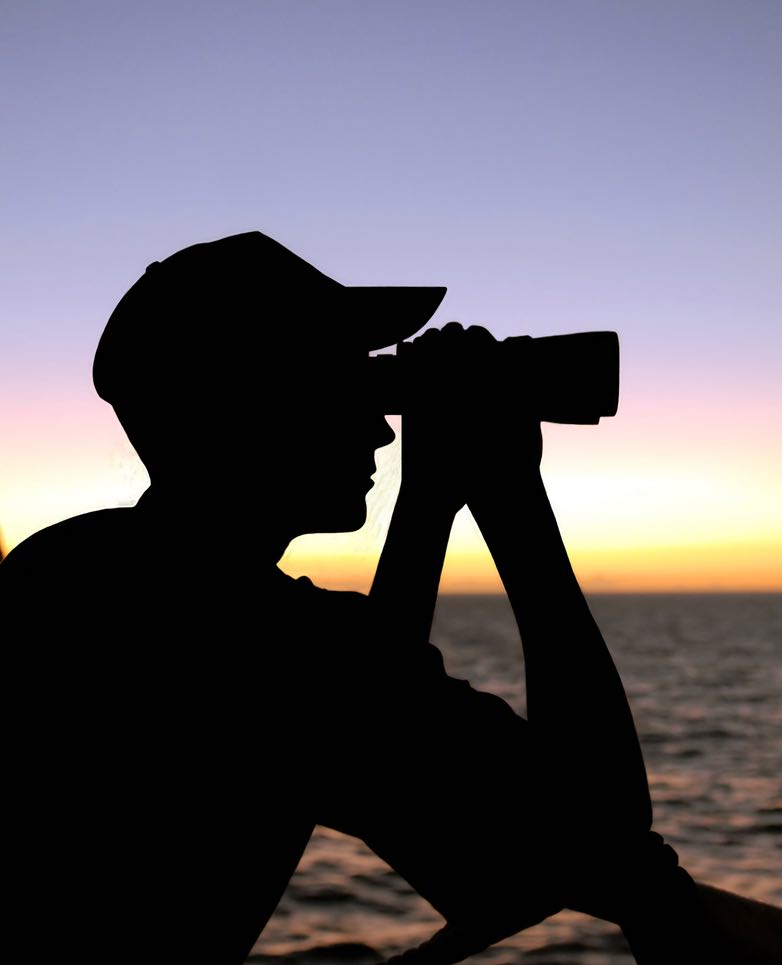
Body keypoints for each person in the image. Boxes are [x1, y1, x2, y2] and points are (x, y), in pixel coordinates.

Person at [3, 232, 779, 965]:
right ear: (254, 403)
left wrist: (429, 502)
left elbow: (363, 719)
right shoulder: (259, 635)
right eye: (349, 382)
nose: (382, 428)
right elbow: (602, 832)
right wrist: (511, 502)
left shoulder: (71, 566)